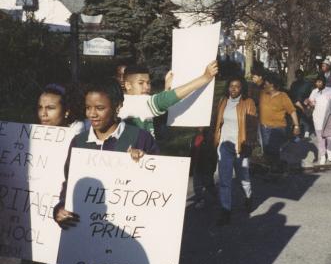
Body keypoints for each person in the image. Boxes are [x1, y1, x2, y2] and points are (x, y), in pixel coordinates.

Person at [53, 78, 159, 230]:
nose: (92, 114)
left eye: (100, 108)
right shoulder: (79, 142)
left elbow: (157, 187)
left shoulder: (140, 138)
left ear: (117, 107)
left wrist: (144, 162)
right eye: (88, 107)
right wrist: (61, 207)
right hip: (85, 232)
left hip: (127, 232)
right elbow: (69, 182)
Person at [119, 61, 218, 136]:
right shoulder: (130, 102)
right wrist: (205, 78)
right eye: (141, 83)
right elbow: (164, 100)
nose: (147, 87)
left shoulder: (130, 102)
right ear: (128, 85)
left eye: (148, 83)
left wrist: (166, 89)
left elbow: (157, 106)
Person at [213, 76, 258, 226]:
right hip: (224, 145)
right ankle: (225, 211)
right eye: (231, 86)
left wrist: (249, 144)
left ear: (242, 88)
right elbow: (217, 122)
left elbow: (252, 126)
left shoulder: (248, 103)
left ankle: (248, 197)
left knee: (243, 177)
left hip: (241, 145)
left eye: (237, 86)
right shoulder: (223, 101)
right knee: (224, 180)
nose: (233, 89)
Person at [259, 73, 300, 174]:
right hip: (264, 127)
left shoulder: (283, 96)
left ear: (272, 85)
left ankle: (276, 170)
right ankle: (272, 168)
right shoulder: (262, 94)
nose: (264, 85)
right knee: (267, 150)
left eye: (266, 84)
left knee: (273, 149)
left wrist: (296, 125)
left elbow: (292, 111)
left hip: (277, 128)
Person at [305, 76, 331, 165]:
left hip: (330, 117)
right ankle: (323, 155)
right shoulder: (314, 92)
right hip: (318, 118)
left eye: (320, 82)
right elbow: (311, 104)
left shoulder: (330, 90)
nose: (318, 84)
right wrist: (308, 102)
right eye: (317, 82)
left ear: (324, 82)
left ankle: (329, 150)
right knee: (321, 138)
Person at [189, 127, 217, 209]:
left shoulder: (210, 138)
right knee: (197, 185)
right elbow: (192, 151)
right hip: (196, 165)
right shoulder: (195, 137)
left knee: (209, 185)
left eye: (202, 126)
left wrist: (213, 167)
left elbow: (213, 154)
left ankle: (216, 196)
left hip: (206, 166)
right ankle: (200, 200)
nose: (199, 127)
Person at [289, 69, 313, 138]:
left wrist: (308, 102)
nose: (299, 76)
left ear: (302, 75)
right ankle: (296, 133)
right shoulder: (294, 84)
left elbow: (311, 94)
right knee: (297, 118)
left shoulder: (308, 84)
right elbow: (291, 94)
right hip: (296, 103)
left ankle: (306, 131)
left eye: (300, 75)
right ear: (296, 76)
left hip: (304, 103)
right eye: (297, 75)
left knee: (305, 118)